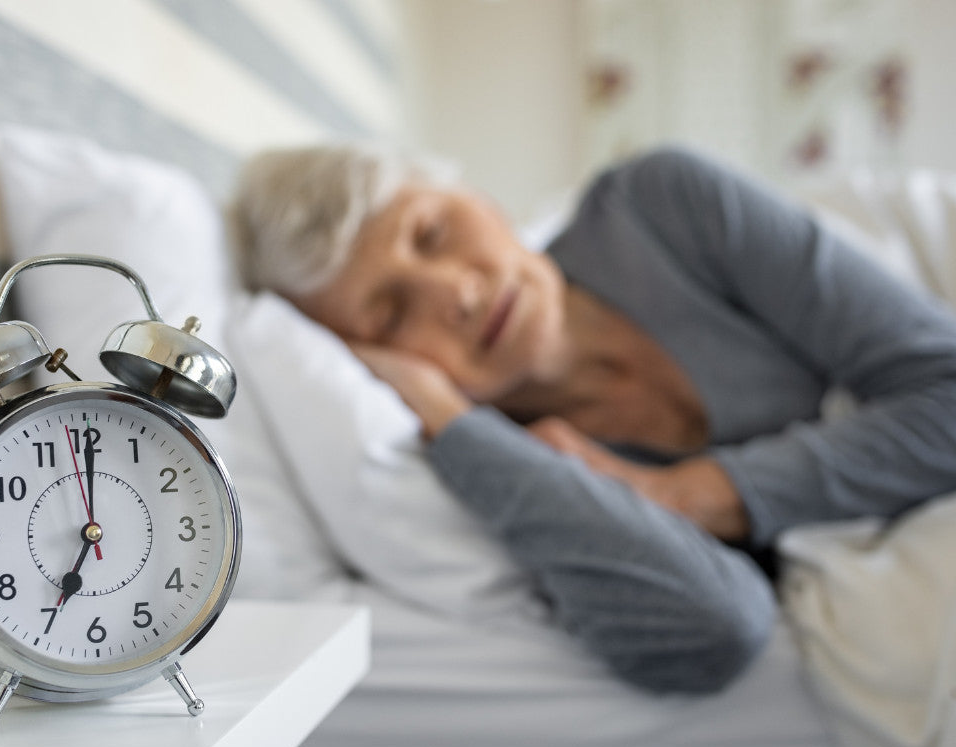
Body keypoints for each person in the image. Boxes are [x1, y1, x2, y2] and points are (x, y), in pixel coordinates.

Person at [228, 143, 956, 694]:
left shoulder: (661, 206)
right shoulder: (509, 470)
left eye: (431, 234)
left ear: (477, 198)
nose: (456, 293)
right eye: (389, 314)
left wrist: (683, 495)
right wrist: (452, 420)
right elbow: (713, 628)